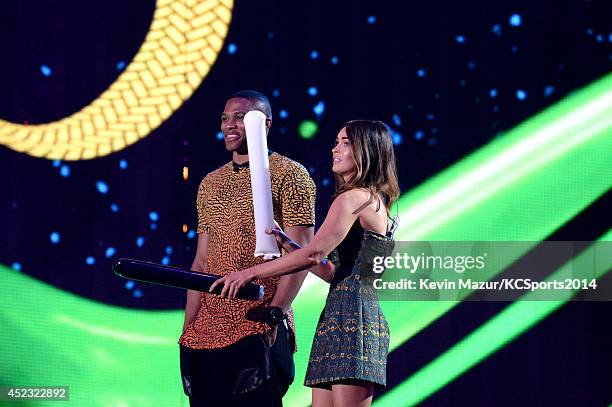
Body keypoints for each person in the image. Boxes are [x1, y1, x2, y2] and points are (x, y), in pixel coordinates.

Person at [211, 120, 400, 407]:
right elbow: (331, 272)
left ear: (367, 151)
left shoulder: (353, 199)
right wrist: (286, 242)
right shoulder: (372, 200)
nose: (335, 149)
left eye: (345, 143)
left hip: (355, 320)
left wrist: (249, 274)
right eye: (336, 141)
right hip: (338, 318)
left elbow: (313, 254)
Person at [179, 90, 317, 406]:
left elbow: (302, 256)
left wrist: (275, 313)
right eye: (225, 118)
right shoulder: (210, 182)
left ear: (264, 123)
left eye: (240, 117)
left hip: (257, 319)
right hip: (207, 329)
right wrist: (189, 327)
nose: (230, 125)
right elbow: (201, 261)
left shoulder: (290, 174)